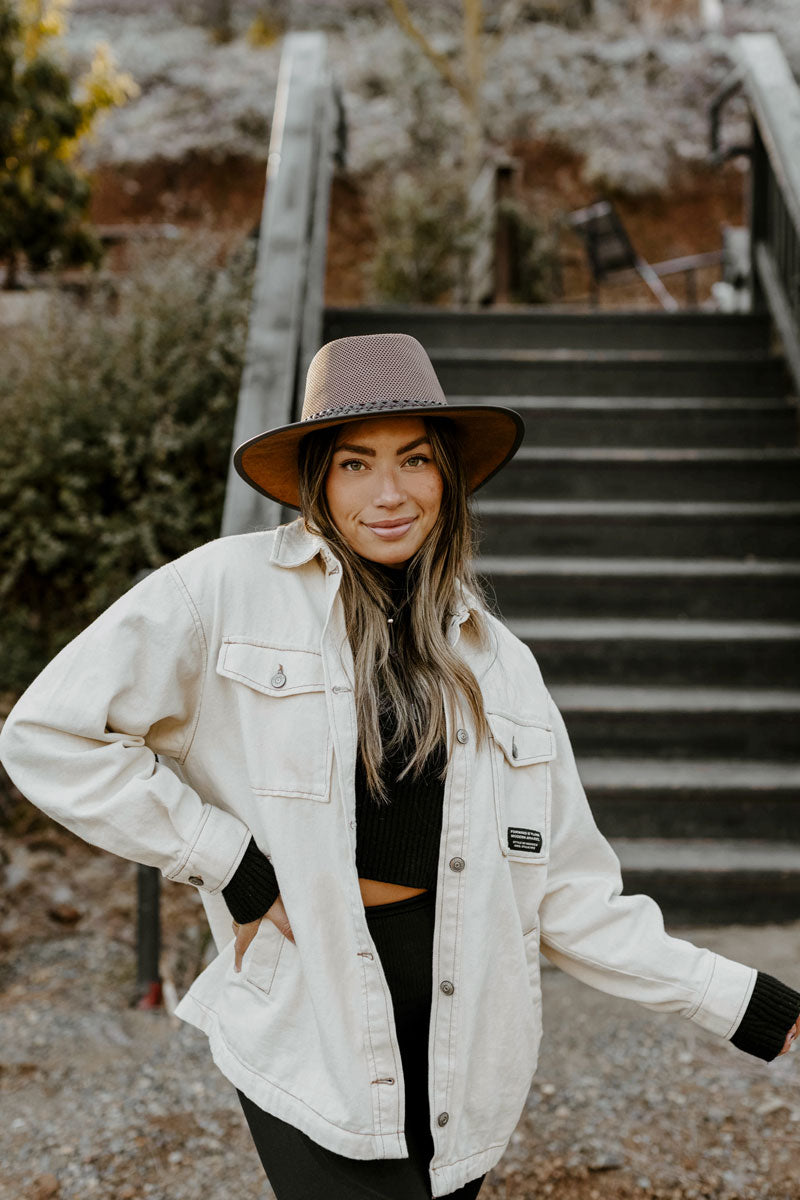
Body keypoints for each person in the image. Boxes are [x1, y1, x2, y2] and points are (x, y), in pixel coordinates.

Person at [1, 332, 798, 1200]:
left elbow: (571, 895)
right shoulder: (224, 591)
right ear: (317, 479)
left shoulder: (501, 664)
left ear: (447, 478)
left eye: (414, 460)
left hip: (465, 1028)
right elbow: (47, 734)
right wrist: (228, 861)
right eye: (355, 464)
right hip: (311, 1009)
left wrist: (750, 1004)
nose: (389, 494)